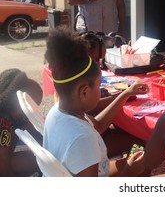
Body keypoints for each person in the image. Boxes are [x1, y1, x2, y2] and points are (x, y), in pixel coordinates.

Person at [43, 26, 149, 176]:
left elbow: (98, 125)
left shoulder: (59, 112)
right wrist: (129, 172)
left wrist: (125, 94)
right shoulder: (83, 138)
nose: (101, 91)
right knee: (145, 165)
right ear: (84, 91)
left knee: (141, 151)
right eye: (99, 86)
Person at [0, 68, 43, 176]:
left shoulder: (14, 115)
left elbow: (37, 131)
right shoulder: (3, 125)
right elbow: (3, 171)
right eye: (30, 107)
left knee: (35, 158)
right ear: (18, 103)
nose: (32, 112)